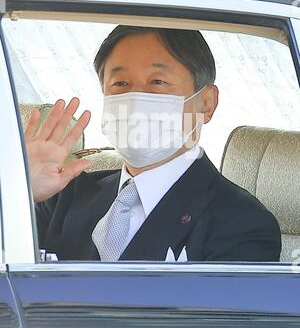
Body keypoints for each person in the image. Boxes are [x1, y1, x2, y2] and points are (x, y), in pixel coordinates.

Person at [27, 26, 281, 262]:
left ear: (206, 103)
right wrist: (19, 187)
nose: (136, 99)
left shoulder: (243, 224)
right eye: (120, 84)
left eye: (157, 82)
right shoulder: (62, 197)